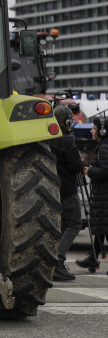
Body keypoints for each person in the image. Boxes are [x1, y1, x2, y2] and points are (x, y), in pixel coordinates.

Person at [51, 105, 84, 281]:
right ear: (68, 121)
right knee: (74, 224)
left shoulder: (48, 139)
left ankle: (52, 261)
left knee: (62, 225)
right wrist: (80, 160)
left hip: (53, 190)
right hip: (68, 189)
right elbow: (75, 166)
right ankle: (58, 262)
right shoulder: (67, 140)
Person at [77, 117, 108, 272]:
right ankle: (93, 260)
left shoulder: (104, 147)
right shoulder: (103, 146)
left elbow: (105, 171)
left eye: (94, 128)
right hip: (102, 195)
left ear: (102, 131)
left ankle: (93, 259)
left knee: (103, 228)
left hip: (104, 196)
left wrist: (90, 171)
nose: (91, 131)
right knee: (101, 228)